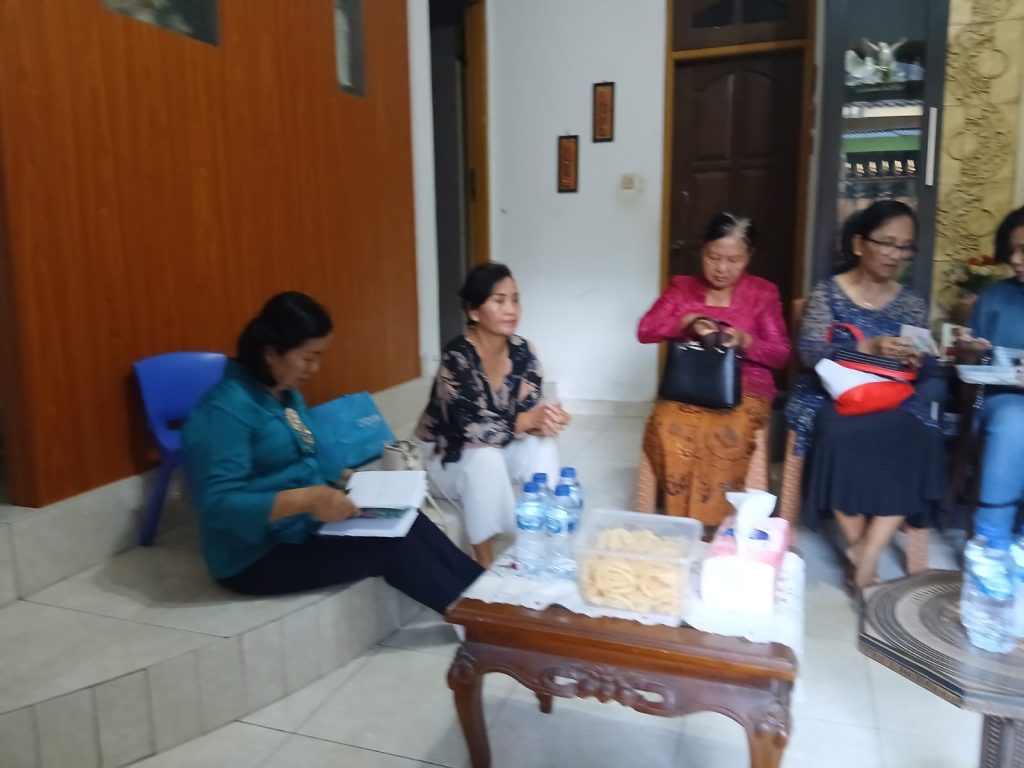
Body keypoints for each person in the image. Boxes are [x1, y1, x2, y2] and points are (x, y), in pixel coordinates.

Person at [182, 292, 482, 614]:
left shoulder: (283, 392)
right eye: (308, 357)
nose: (315, 368)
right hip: (257, 555)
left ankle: (493, 597)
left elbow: (309, 451)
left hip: (303, 526)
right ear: (271, 353)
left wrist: (351, 480)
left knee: (407, 518)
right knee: (392, 547)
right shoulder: (225, 410)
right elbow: (218, 505)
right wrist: (308, 499)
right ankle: (481, 622)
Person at [784, 200, 942, 588]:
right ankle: (861, 551)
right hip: (831, 394)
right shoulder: (827, 294)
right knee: (837, 436)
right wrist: (868, 346)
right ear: (858, 244)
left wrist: (917, 359)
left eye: (904, 247)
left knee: (921, 436)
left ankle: (865, 554)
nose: (895, 254)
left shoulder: (911, 303)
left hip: (891, 395)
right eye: (886, 242)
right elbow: (809, 355)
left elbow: (924, 370)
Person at [636, 212, 790, 524]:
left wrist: (745, 340)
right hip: (690, 386)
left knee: (727, 430)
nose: (721, 268)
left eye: (733, 260)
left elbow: (781, 354)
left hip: (747, 386)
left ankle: (717, 523)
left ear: (749, 257)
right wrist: (689, 321)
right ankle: (683, 521)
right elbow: (645, 330)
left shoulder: (762, 293)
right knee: (668, 423)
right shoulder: (682, 288)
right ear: (702, 251)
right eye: (713, 257)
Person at [415, 263, 570, 567]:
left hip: (496, 447)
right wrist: (529, 421)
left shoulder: (524, 351)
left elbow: (528, 413)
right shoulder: (457, 357)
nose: (511, 309)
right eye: (499, 301)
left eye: (515, 299)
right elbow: (470, 430)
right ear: (474, 311)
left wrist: (547, 420)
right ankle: (484, 564)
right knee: (483, 457)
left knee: (541, 447)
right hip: (443, 456)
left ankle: (542, 542)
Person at [958, 206, 1024, 548]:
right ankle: (991, 541)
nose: (1015, 259)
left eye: (1023, 250)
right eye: (1011, 250)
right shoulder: (996, 297)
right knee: (1015, 420)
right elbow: (972, 356)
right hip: (1003, 401)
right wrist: (969, 348)